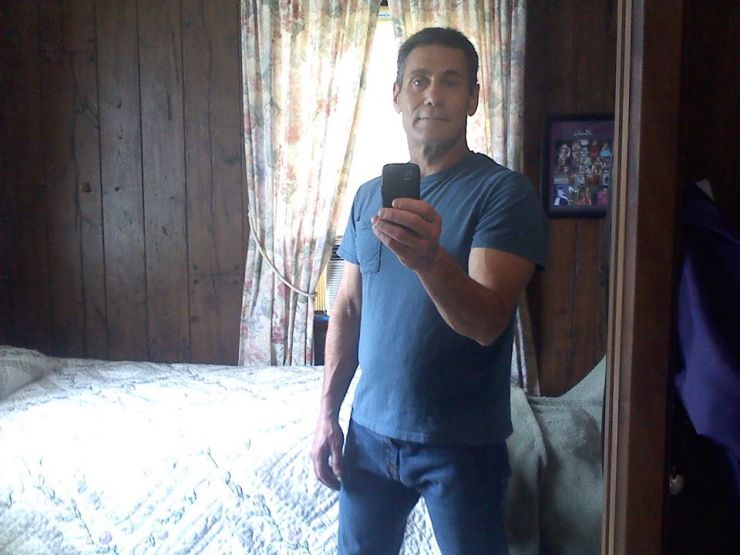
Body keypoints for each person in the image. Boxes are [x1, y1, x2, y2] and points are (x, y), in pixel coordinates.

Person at [310, 27, 548, 555]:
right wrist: (327, 413)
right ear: (397, 95)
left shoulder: (503, 193)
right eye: (419, 81)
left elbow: (487, 323)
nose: (433, 95)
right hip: (369, 435)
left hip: (462, 445)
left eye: (450, 81)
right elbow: (348, 307)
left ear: (473, 98)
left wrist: (428, 260)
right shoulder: (368, 196)